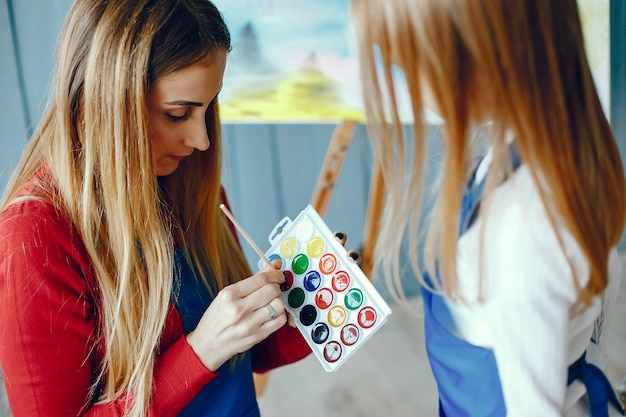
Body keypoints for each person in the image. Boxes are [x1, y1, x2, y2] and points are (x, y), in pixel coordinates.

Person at [0, 0, 318, 415]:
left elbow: (247, 358)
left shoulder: (191, 185)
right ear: (108, 103)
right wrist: (201, 350)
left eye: (209, 107)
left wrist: (304, 310)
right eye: (178, 114)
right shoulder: (35, 239)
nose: (202, 140)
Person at [350, 0, 626, 416]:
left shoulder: (520, 232)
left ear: (481, 55)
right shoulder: (555, 151)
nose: (403, 84)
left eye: (407, 65)